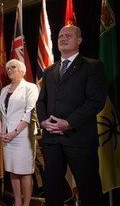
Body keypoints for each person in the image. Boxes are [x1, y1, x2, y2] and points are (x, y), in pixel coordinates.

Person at [36, 25, 107, 206]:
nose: (63, 39)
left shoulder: (93, 66)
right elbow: (41, 101)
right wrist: (44, 121)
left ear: (79, 41)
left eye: (68, 35)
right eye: (60, 36)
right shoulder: (49, 71)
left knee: (90, 191)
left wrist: (68, 123)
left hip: (79, 139)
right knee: (52, 192)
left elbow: (95, 101)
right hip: (52, 139)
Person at [0, 59, 38, 206]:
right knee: (13, 170)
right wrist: (0, 129)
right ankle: (18, 202)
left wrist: (14, 132)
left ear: (22, 70)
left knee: (25, 172)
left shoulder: (30, 87)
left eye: (13, 67)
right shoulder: (3, 90)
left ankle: (26, 204)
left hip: (23, 135)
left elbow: (29, 113)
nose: (9, 70)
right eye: (8, 68)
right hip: (6, 137)